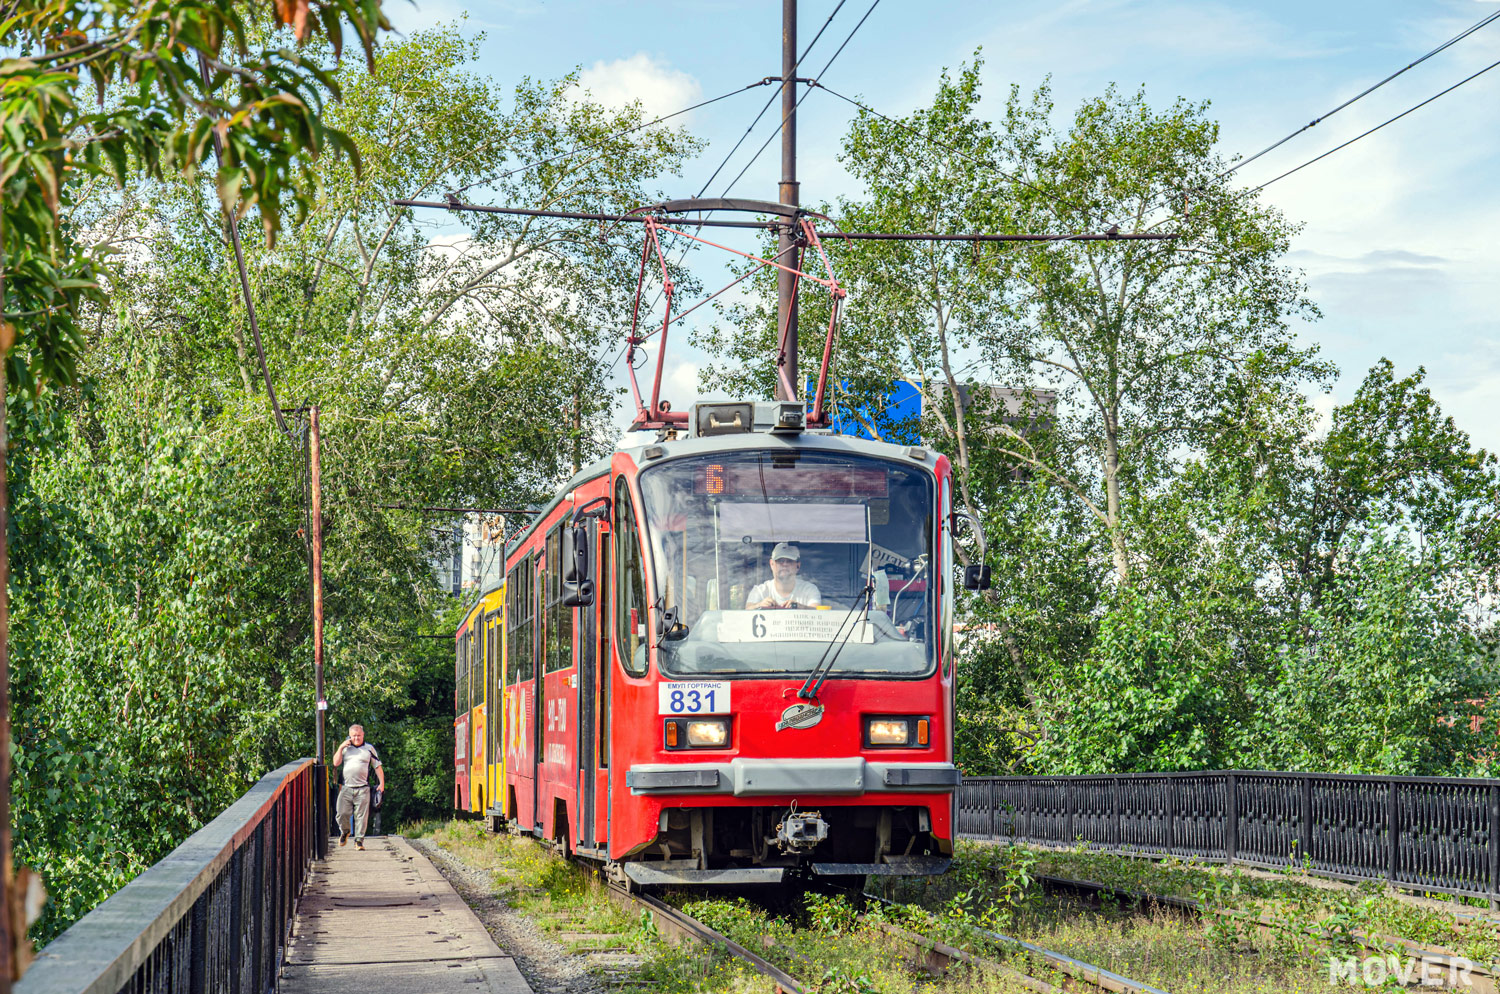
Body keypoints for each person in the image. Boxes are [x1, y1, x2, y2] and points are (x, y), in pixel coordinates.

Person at [333, 724, 386, 850]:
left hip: (363, 788)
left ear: (363, 735)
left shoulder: (369, 749)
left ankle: (359, 841)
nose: (356, 738)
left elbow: (377, 766)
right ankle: (345, 831)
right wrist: (340, 747)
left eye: (359, 735)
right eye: (354, 736)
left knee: (361, 815)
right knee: (341, 813)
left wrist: (382, 783)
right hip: (346, 787)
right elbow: (335, 763)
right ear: (350, 736)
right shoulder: (345, 748)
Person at [744, 543, 822, 609]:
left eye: (790, 561)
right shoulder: (760, 591)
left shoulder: (809, 589)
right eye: (780, 561)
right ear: (772, 564)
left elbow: (818, 613)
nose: (785, 564)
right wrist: (759, 605)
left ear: (798, 566)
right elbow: (746, 614)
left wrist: (800, 607)